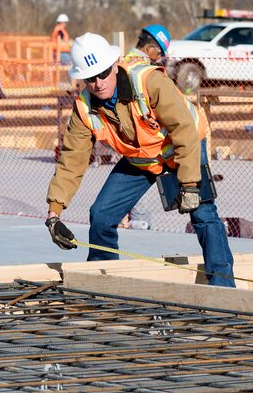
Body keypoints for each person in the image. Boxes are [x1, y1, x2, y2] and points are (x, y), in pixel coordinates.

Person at [44, 32, 235, 287]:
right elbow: (72, 160)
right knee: (101, 215)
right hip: (142, 159)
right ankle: (104, 284)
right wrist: (54, 215)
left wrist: (189, 184)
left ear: (114, 66)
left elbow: (184, 131)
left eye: (103, 73)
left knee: (204, 215)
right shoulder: (84, 108)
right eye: (90, 78)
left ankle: (223, 287)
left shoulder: (148, 81)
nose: (99, 83)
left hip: (182, 148)